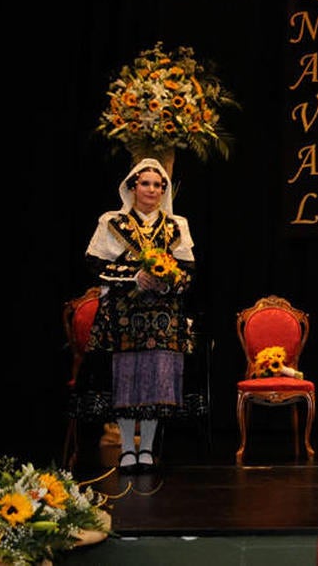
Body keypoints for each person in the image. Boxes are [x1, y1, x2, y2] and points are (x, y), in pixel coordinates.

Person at [75, 158, 202, 474]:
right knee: (125, 380)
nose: (152, 190)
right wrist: (135, 276)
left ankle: (146, 449)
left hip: (162, 314)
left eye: (158, 185)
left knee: (155, 381)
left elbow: (188, 269)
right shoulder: (112, 222)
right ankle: (126, 450)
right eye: (145, 183)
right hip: (122, 313)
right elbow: (94, 263)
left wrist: (166, 279)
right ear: (132, 188)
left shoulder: (176, 225)